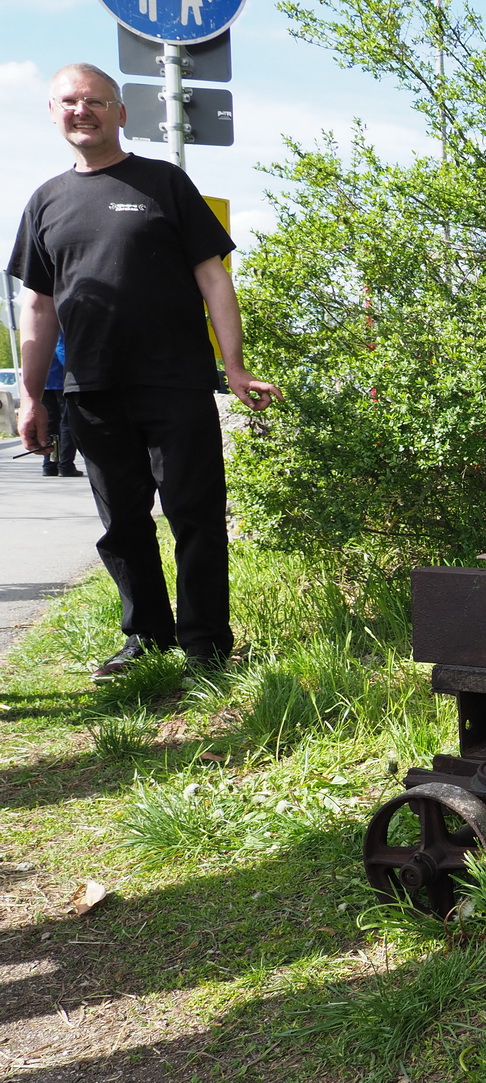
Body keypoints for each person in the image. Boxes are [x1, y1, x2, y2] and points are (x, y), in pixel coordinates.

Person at [7, 63, 280, 679]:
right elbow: (39, 306)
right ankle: (147, 638)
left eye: (96, 101)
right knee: (122, 524)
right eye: (70, 102)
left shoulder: (164, 183)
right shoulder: (45, 201)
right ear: (53, 113)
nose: (84, 111)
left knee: (195, 516)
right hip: (93, 391)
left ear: (121, 113)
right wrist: (31, 397)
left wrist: (232, 366)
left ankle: (207, 645)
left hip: (177, 382)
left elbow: (214, 278)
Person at [40, 333, 82, 477]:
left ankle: (50, 464)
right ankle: (65, 465)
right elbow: (60, 349)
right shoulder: (58, 321)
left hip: (44, 381)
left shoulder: (39, 326)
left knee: (51, 424)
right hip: (61, 379)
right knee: (67, 424)